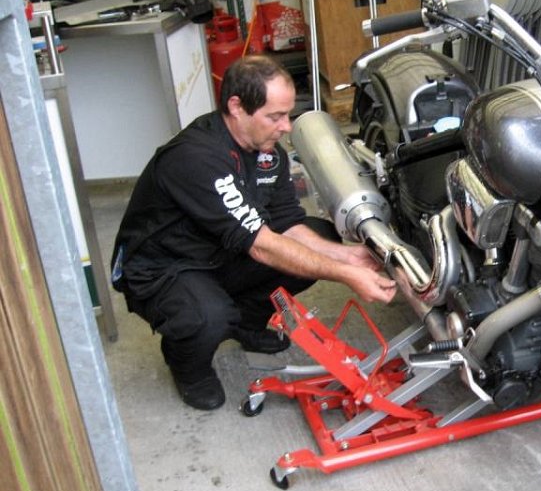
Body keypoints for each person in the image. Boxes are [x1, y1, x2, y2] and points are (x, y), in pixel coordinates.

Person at [111, 55, 396, 410]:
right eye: (275, 117)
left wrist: (347, 256)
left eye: (288, 115)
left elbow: (288, 224)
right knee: (209, 316)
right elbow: (262, 247)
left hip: (219, 251)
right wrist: (346, 274)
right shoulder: (196, 158)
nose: (286, 127)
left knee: (319, 236)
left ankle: (245, 322)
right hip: (165, 267)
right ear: (236, 107)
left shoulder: (268, 155)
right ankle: (187, 364)